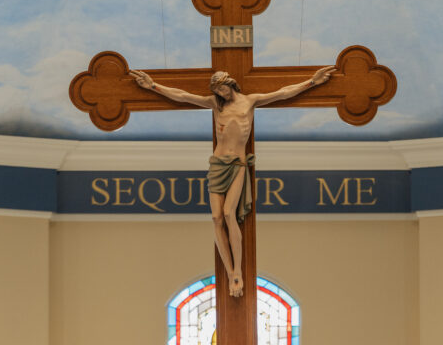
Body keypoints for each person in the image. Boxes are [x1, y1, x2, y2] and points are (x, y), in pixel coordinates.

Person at [131, 65, 336, 297]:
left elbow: (283, 92)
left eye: (223, 89)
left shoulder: (250, 101)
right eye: (217, 91)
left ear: (230, 83)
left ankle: (238, 269)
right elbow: (184, 96)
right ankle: (230, 273)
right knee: (216, 217)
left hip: (238, 165)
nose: (221, 94)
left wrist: (312, 82)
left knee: (230, 214)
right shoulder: (214, 104)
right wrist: (153, 86)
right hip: (217, 164)